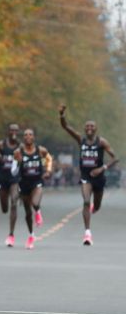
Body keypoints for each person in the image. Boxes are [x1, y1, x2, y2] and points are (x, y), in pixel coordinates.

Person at [59, 105, 119, 245]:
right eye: (87, 126)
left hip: (99, 177)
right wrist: (62, 115)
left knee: (96, 205)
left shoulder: (102, 142)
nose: (89, 128)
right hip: (86, 176)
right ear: (85, 129)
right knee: (86, 201)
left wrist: (102, 168)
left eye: (92, 126)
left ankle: (95, 207)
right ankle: (87, 233)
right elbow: (66, 127)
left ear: (96, 129)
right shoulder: (81, 139)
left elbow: (115, 158)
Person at [12, 128, 52, 249]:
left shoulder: (41, 151)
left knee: (35, 202)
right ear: (23, 138)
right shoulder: (18, 153)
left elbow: (48, 160)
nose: (28, 136)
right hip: (24, 184)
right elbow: (13, 172)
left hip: (37, 181)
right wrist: (18, 163)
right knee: (28, 213)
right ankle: (31, 235)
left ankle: (38, 211)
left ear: (34, 137)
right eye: (25, 135)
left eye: (30, 134)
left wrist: (48, 171)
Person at [0, 124, 21, 247]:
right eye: (11, 130)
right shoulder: (1, 145)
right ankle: (5, 206)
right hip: (2, 178)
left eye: (16, 130)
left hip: (15, 179)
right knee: (4, 208)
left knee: (14, 203)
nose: (14, 132)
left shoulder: (21, 147)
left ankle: (11, 235)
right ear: (8, 132)